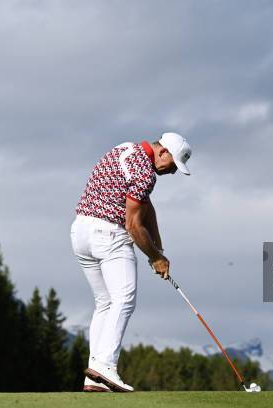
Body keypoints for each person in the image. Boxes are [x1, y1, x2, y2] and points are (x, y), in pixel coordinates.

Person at [70, 132, 192, 392]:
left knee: (105, 302)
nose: (172, 173)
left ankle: (94, 376)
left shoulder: (125, 149)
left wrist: (158, 246)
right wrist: (155, 258)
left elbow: (145, 206)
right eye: (173, 166)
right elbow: (133, 225)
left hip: (80, 232)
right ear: (164, 153)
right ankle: (105, 365)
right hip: (109, 235)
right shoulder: (145, 174)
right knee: (124, 299)